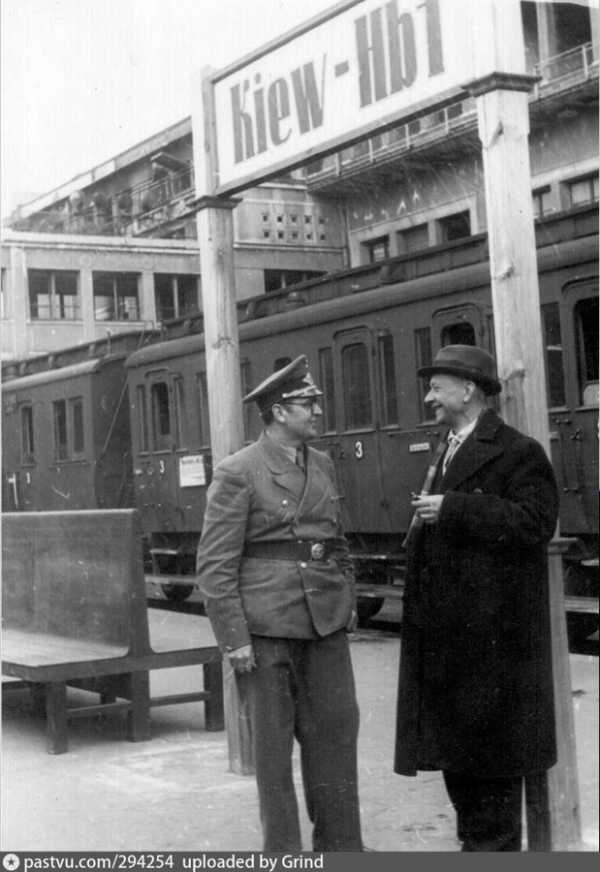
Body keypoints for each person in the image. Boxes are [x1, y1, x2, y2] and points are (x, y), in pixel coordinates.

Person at [394, 344, 559, 852]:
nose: (428, 398)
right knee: (466, 787)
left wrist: (455, 508)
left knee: (492, 797)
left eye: (436, 388)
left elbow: (535, 522)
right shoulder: (446, 447)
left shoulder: (518, 451)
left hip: (494, 657)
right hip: (454, 654)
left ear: (468, 391)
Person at [196, 355, 363, 853]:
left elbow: (337, 541)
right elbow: (215, 565)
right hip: (267, 628)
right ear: (278, 412)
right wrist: (234, 639)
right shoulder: (239, 471)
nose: (317, 411)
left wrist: (347, 599)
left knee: (337, 738)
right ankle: (284, 853)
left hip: (324, 623)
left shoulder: (323, 463)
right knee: (273, 755)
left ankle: (341, 849)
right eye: (307, 403)